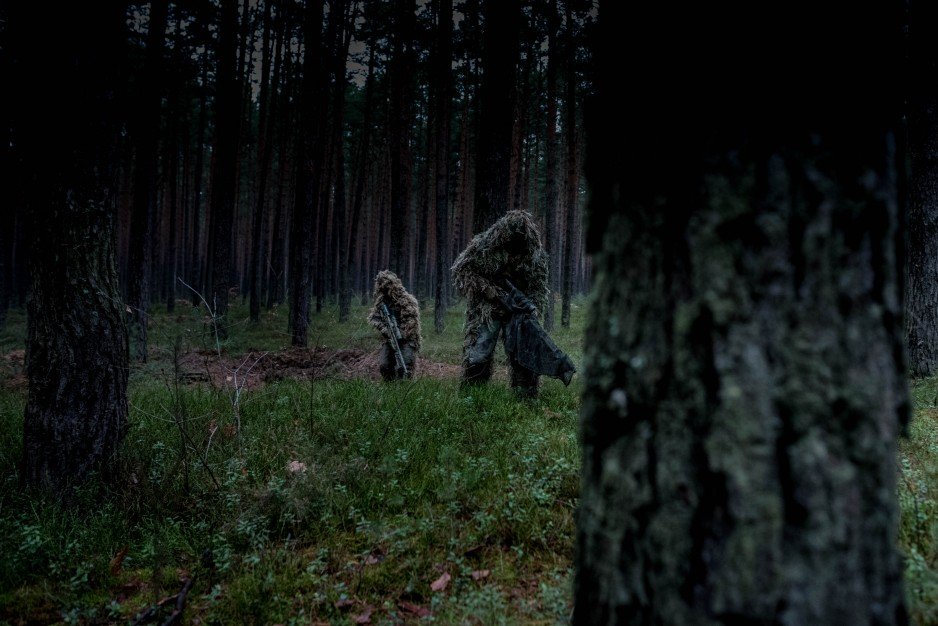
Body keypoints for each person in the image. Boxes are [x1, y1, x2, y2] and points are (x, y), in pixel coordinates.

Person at [452, 210, 555, 397]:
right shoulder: (483, 247)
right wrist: (487, 290)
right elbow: (462, 271)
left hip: (518, 310)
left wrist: (531, 311)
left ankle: (526, 398)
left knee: (525, 353)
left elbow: (539, 288)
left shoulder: (535, 256)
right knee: (479, 353)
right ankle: (472, 396)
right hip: (487, 307)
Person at [367, 270, 420, 380]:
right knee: (384, 365)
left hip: (407, 339)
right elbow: (374, 318)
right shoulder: (382, 302)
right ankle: (390, 388)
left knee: (405, 365)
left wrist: (401, 333)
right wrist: (385, 329)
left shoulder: (407, 300)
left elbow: (412, 322)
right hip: (389, 338)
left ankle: (404, 389)